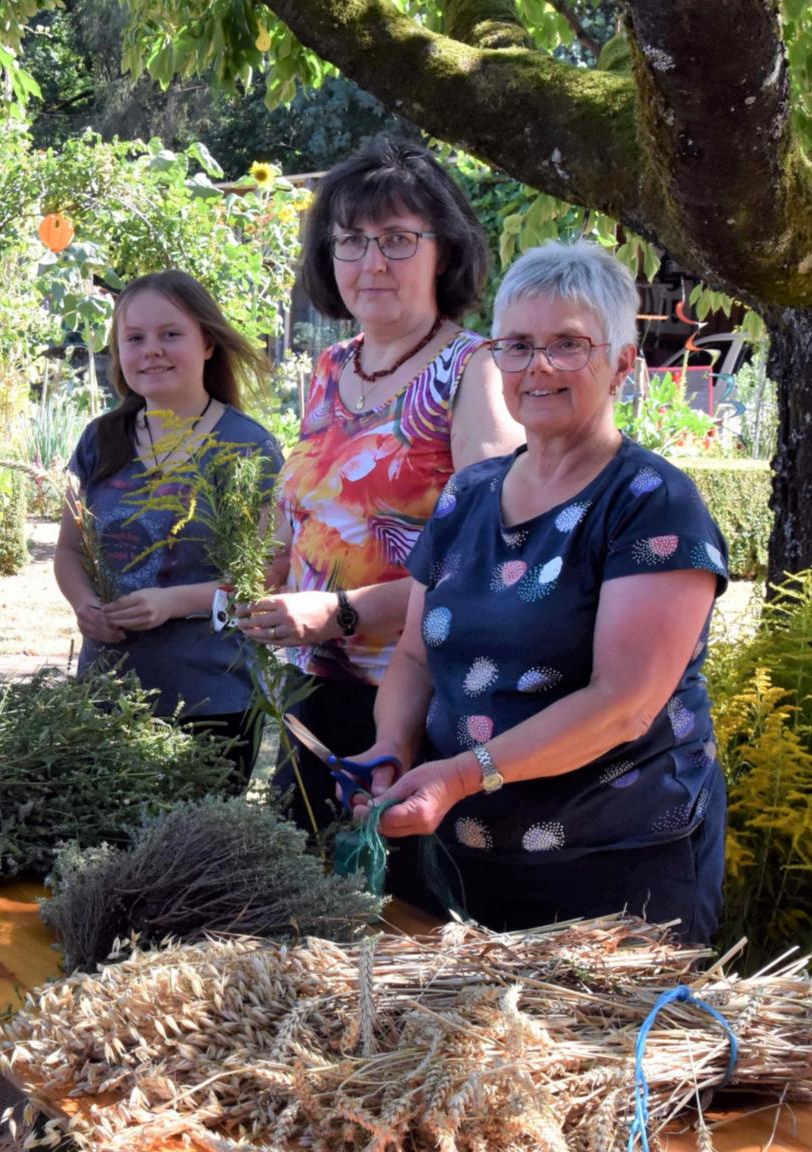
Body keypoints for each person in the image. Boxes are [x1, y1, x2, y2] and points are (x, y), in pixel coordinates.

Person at [349, 240, 731, 944]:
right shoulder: (469, 495)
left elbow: (622, 706)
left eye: (569, 344)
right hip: (455, 864)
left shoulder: (652, 505)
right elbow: (412, 658)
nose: (540, 366)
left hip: (612, 877)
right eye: (518, 346)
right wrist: (390, 753)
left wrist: (459, 777)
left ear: (621, 362)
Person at [237, 138, 523, 836]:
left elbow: (489, 553)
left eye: (397, 240)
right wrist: (261, 580)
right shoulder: (335, 367)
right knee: (300, 897)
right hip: (315, 686)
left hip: (422, 698)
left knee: (393, 913)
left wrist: (340, 611)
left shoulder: (474, 369)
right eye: (352, 241)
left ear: (444, 251)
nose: (371, 263)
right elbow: (302, 509)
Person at [53, 271, 284, 782]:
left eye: (170, 334)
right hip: (108, 695)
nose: (151, 350)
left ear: (207, 343)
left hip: (213, 699)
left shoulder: (247, 448)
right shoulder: (101, 439)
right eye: (134, 338)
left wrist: (171, 603)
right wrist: (84, 605)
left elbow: (263, 579)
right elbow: (70, 552)